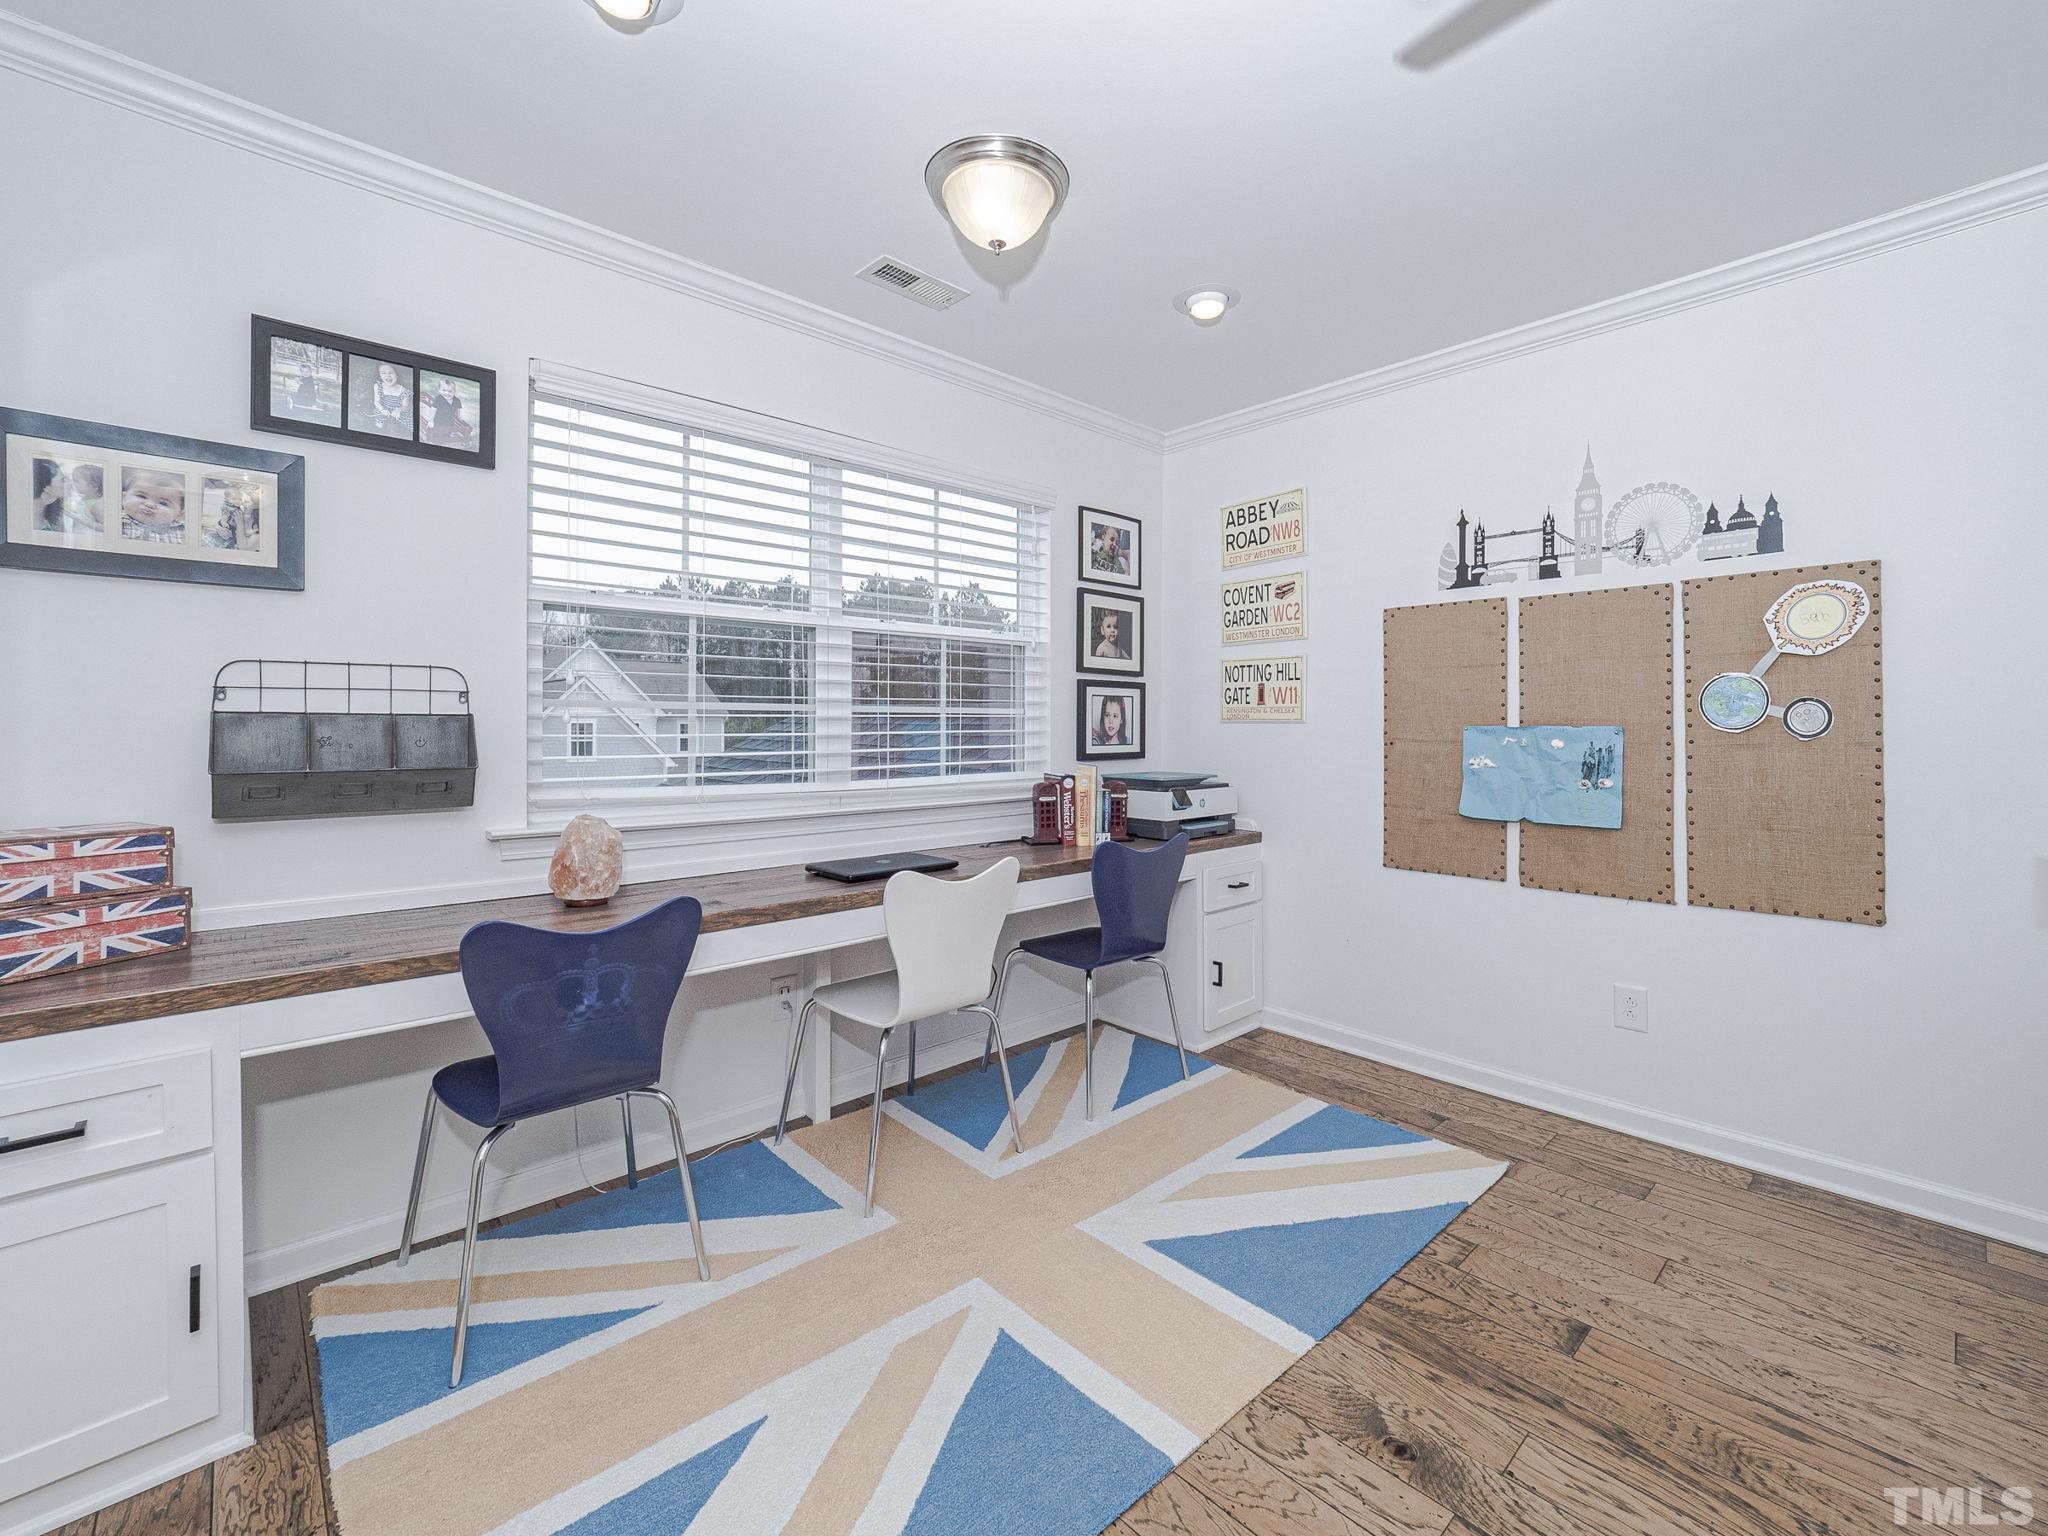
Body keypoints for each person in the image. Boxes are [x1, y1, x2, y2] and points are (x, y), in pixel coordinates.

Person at [120, 468, 186, 543]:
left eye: (163, 503)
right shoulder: (119, 521)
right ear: (124, 497)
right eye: (141, 496)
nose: (150, 505)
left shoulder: (183, 531)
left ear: (179, 513)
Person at [420, 376, 474, 445]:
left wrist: (459, 416)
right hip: (438, 422)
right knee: (438, 433)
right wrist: (431, 421)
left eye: (450, 391)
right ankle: (437, 439)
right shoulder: (438, 399)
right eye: (444, 390)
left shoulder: (456, 400)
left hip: (449, 422)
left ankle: (449, 435)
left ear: (454, 392)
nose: (447, 393)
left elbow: (458, 409)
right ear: (439, 390)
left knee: (448, 432)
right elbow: (433, 410)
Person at [370, 362, 411, 435]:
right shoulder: (378, 386)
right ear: (379, 374)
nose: (387, 376)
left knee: (404, 423)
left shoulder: (403, 390)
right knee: (379, 421)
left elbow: (405, 406)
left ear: (397, 374)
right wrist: (382, 409)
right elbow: (376, 402)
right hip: (383, 409)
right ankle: (379, 429)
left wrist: (398, 410)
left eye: (391, 373)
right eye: (383, 373)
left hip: (398, 411)